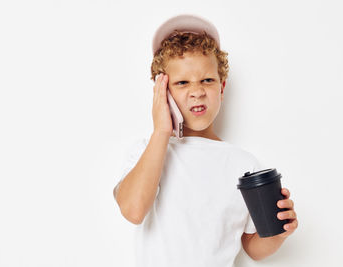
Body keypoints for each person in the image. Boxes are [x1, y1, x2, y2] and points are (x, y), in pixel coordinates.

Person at [113, 14, 298, 267]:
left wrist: (279, 232)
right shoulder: (148, 152)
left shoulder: (242, 164)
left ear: (221, 88)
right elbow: (133, 210)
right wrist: (161, 132)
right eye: (181, 83)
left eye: (207, 80)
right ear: (162, 92)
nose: (197, 91)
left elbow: (253, 248)